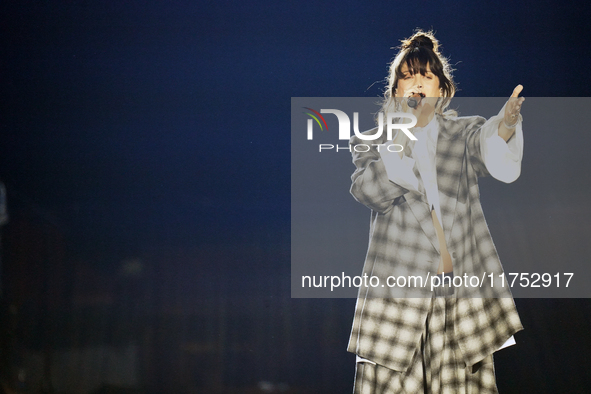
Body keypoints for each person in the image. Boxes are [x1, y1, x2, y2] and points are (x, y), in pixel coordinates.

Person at [347, 30, 524, 393]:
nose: (417, 83)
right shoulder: (373, 139)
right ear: (396, 89)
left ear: (441, 90)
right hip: (397, 299)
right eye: (408, 75)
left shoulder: (462, 133)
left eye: (426, 75)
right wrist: (400, 141)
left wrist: (506, 123)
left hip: (457, 299)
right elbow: (366, 190)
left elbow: (488, 146)